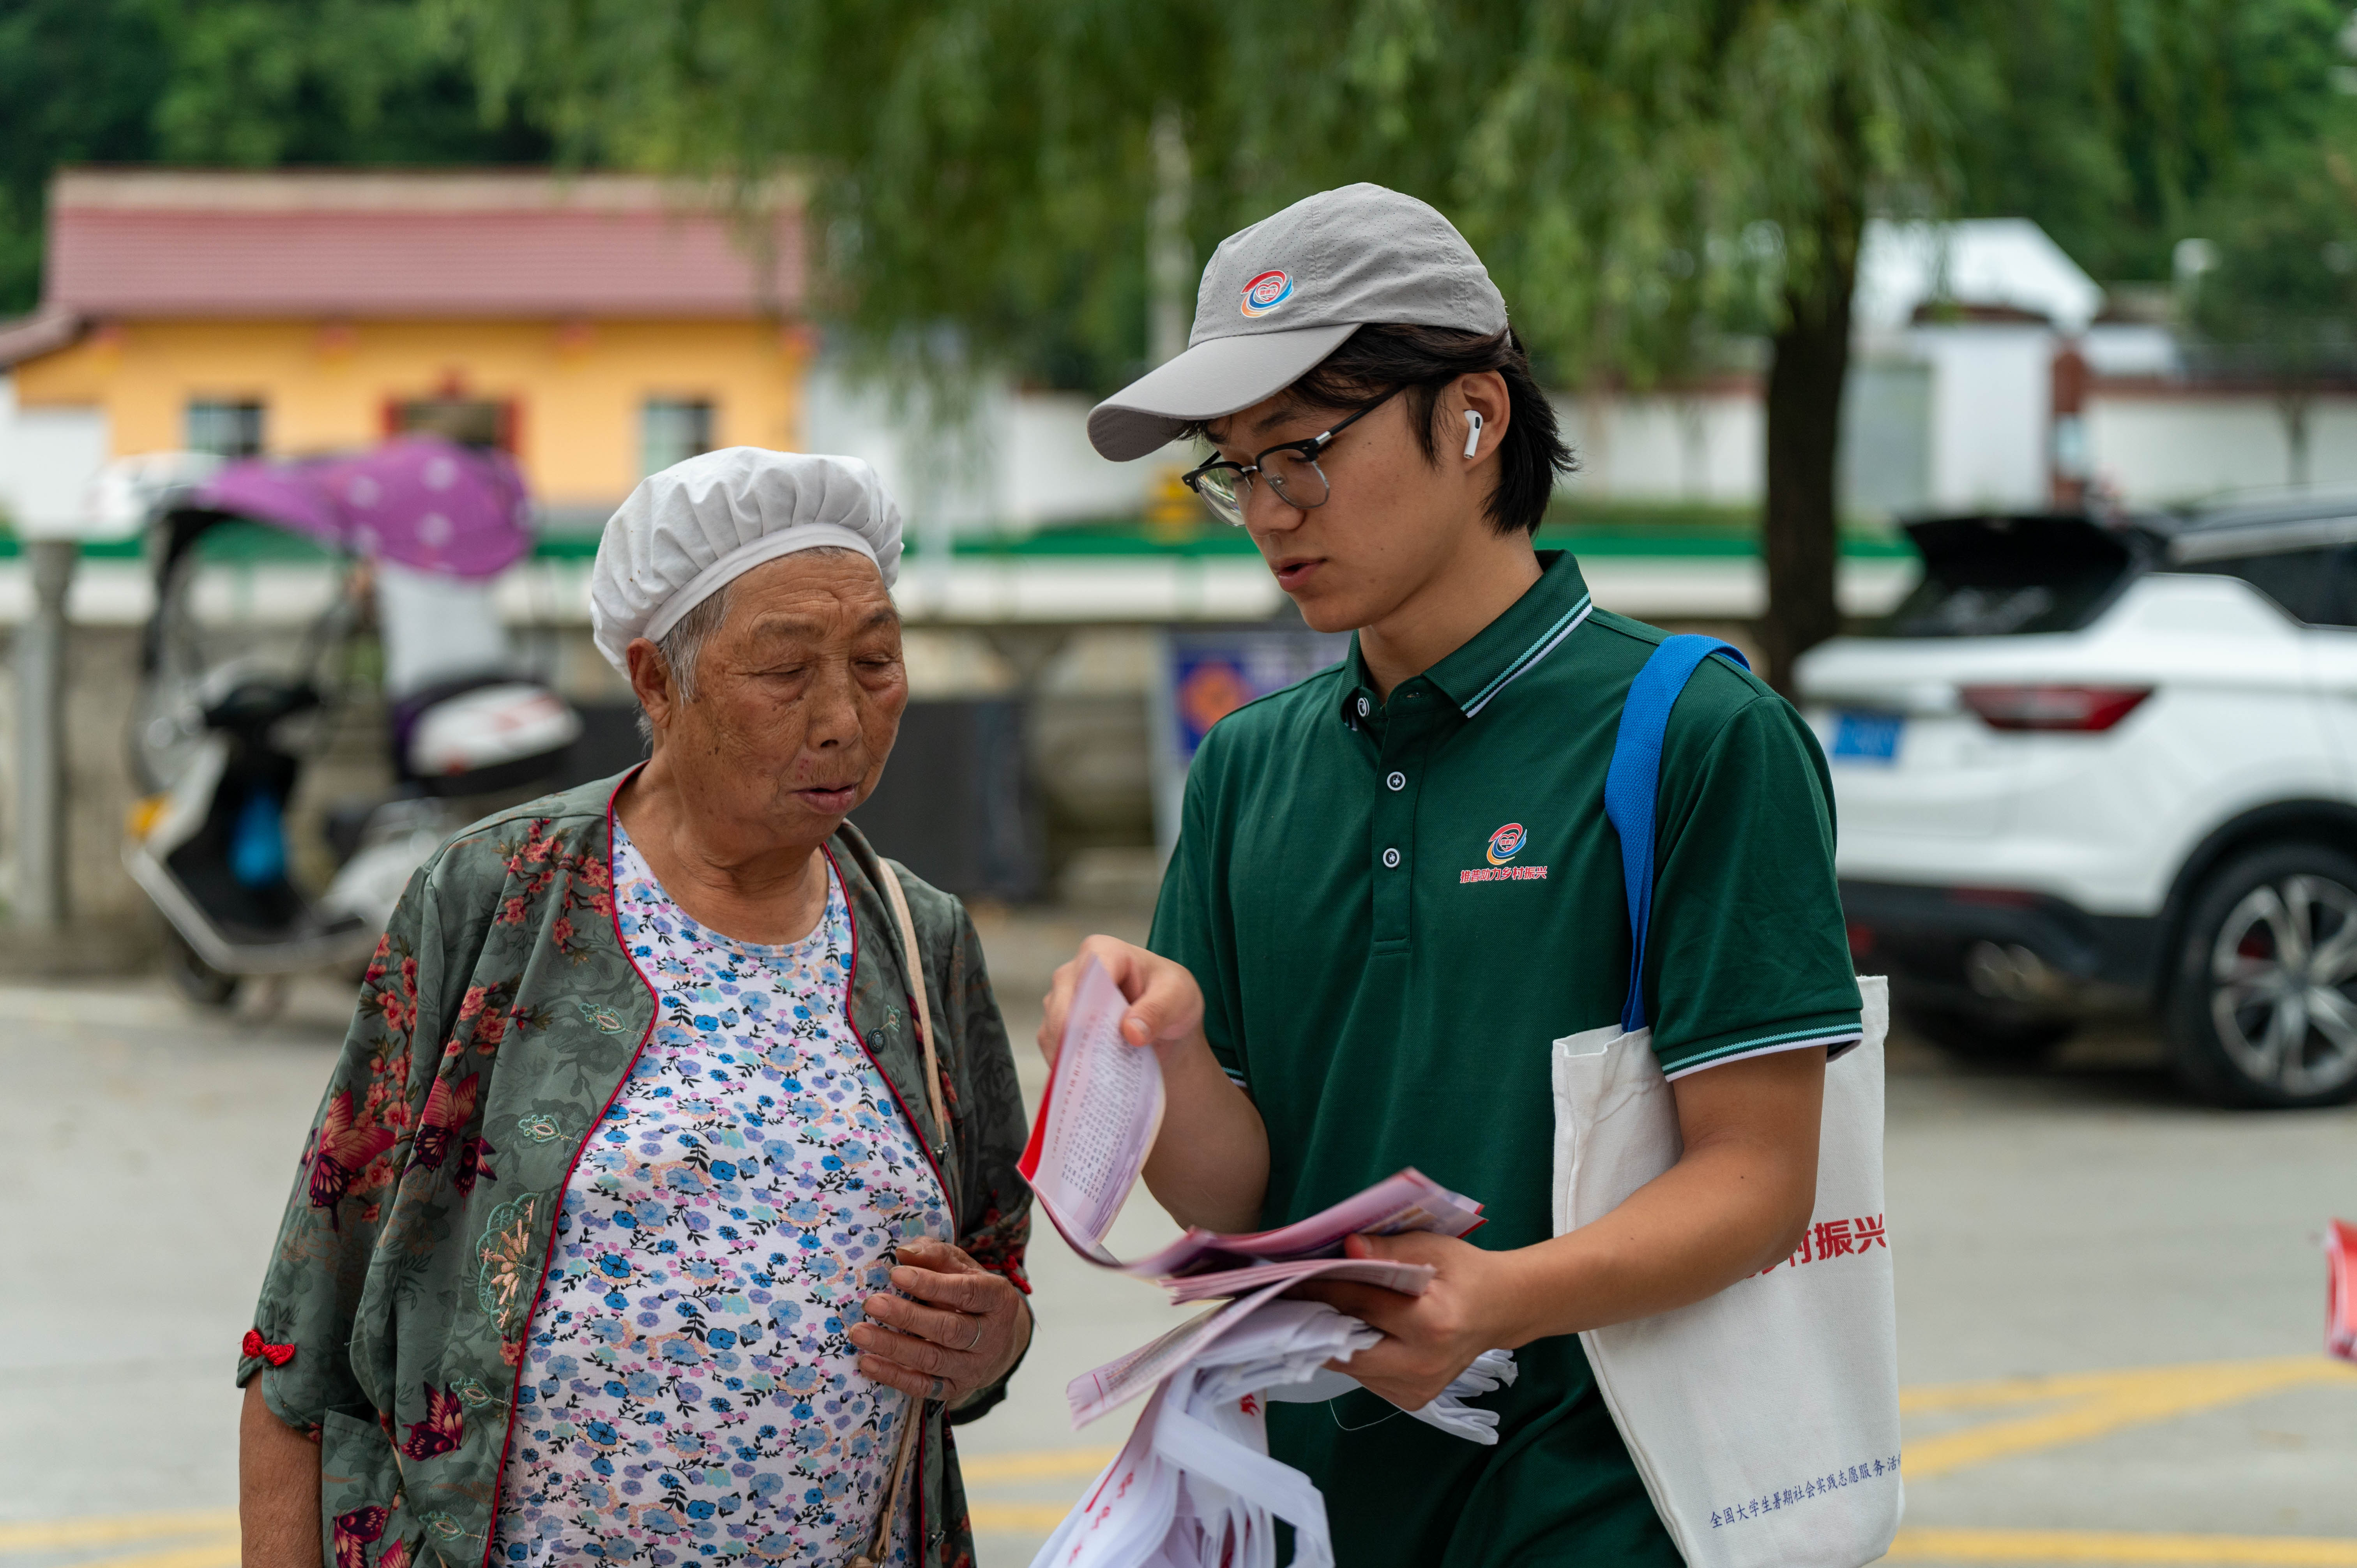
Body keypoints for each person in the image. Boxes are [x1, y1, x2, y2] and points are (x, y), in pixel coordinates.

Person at [1047, 184, 1863, 1564]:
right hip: (1315, 1506)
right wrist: (1159, 1049)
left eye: (1300, 450)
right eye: (1236, 467)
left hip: (1610, 1505)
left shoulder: (1697, 733)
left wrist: (1501, 1299)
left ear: (1475, 419)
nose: (1267, 512)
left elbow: (1761, 1177)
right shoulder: (1252, 767)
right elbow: (1236, 1204)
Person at [237, 449, 1034, 1568]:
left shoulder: (922, 939)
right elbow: (306, 1325)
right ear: (657, 682)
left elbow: (995, 1280)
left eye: (877, 662)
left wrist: (992, 1343)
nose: (844, 719)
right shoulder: (494, 901)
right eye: (786, 671)